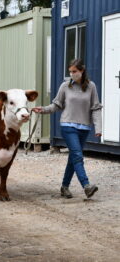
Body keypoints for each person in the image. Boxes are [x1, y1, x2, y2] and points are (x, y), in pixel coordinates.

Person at [32, 59, 102, 199]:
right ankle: (86, 186)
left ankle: (64, 187)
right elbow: (56, 105)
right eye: (70, 71)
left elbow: (95, 108)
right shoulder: (65, 86)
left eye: (74, 71)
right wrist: (43, 109)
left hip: (84, 128)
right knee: (77, 155)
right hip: (68, 126)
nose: (71, 74)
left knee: (73, 158)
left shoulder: (91, 86)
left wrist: (98, 128)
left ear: (82, 71)